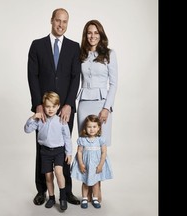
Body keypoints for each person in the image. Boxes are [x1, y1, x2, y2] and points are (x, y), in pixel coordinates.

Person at [27, 8, 81, 206]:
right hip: (44, 109)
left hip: (65, 109)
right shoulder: (37, 45)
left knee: (64, 149)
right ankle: (42, 190)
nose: (61, 25)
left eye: (65, 21)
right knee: (42, 149)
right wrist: (38, 105)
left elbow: (76, 77)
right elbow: (32, 76)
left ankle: (66, 192)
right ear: (51, 21)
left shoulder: (74, 47)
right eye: (58, 21)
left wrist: (68, 104)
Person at [76, 19, 118, 202]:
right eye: (89, 33)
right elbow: (76, 80)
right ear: (85, 35)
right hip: (84, 103)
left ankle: (97, 188)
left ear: (101, 35)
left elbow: (114, 83)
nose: (92, 36)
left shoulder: (109, 54)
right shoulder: (81, 55)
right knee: (86, 147)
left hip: (102, 104)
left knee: (99, 146)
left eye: (96, 33)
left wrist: (106, 108)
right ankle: (86, 190)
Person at [24, 91, 72, 210]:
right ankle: (51, 197)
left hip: (59, 151)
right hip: (45, 152)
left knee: (59, 172)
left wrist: (69, 153)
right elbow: (27, 130)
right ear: (43, 107)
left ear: (58, 106)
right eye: (48, 106)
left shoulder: (61, 120)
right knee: (48, 176)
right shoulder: (40, 120)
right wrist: (33, 117)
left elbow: (67, 138)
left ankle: (63, 197)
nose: (50, 109)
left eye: (53, 106)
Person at [71, 114, 113, 209]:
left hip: (96, 165)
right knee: (85, 182)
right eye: (89, 127)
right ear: (85, 128)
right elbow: (79, 152)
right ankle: (85, 198)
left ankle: (95, 198)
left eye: (94, 127)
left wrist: (101, 165)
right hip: (86, 165)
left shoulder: (101, 140)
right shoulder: (82, 140)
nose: (92, 129)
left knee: (96, 183)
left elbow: (104, 153)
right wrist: (81, 164)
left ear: (98, 128)